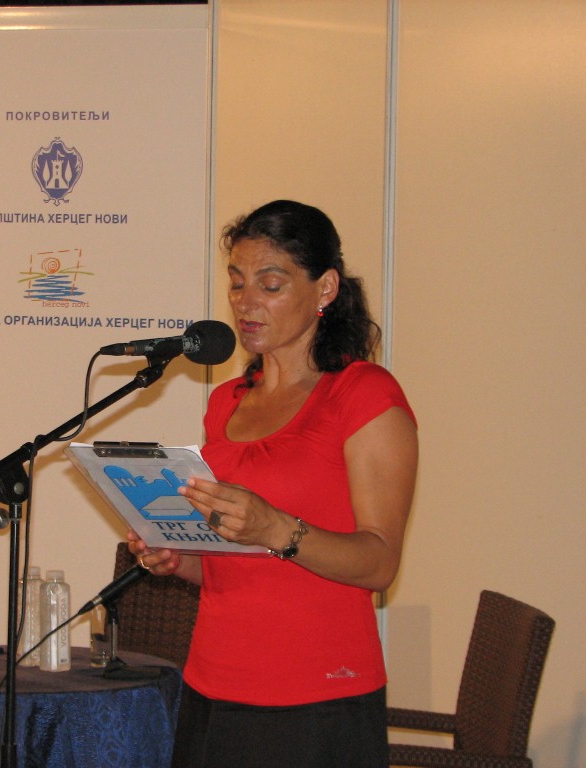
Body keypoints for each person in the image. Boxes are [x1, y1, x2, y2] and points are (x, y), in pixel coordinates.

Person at [127, 200, 418, 768]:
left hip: (317, 695)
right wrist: (178, 556)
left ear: (325, 288)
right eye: (237, 283)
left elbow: (380, 562)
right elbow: (235, 561)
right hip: (212, 682)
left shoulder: (364, 395)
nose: (246, 302)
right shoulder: (226, 402)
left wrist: (275, 527)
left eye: (271, 284)